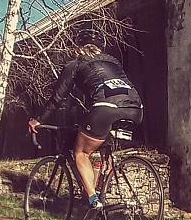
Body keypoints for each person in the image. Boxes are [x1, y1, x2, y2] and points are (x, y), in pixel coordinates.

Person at [28, 29, 143, 210]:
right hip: (135, 109)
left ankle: (93, 201)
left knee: (81, 153)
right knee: (104, 149)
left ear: (77, 48)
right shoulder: (113, 61)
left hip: (106, 109)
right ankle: (101, 189)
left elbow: (57, 98)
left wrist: (39, 120)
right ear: (100, 48)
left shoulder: (75, 64)